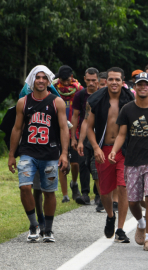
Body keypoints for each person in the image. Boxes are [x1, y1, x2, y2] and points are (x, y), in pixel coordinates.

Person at [108, 72, 148, 251]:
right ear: (134, 87)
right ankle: (141, 223)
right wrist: (114, 151)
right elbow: (121, 134)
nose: (143, 87)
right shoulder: (127, 109)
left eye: (146, 85)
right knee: (133, 202)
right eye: (139, 84)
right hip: (132, 160)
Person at [8, 65, 69, 242]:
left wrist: (64, 153)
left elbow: (64, 128)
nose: (41, 80)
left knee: (49, 192)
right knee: (25, 186)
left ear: (49, 81)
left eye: (44, 77)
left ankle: (48, 229)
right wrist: (12, 154)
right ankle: (34, 225)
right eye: (37, 77)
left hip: (50, 153)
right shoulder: (23, 102)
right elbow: (17, 128)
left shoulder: (56, 102)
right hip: (28, 152)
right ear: (32, 80)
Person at [86, 67, 135, 242]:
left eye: (117, 80)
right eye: (111, 79)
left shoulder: (130, 100)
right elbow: (89, 127)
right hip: (104, 148)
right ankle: (110, 215)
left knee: (123, 187)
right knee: (105, 192)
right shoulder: (97, 100)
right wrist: (96, 148)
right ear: (106, 81)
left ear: (123, 82)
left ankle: (121, 229)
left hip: (124, 150)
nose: (114, 83)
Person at [53, 65, 84, 203]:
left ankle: (74, 183)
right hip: (58, 129)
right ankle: (65, 195)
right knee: (62, 162)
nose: (65, 83)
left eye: (67, 79)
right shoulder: (53, 89)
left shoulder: (79, 89)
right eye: (62, 80)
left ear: (72, 77)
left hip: (74, 129)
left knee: (75, 163)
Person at [70, 67, 100, 205]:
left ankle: (99, 194)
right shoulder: (80, 95)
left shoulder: (103, 94)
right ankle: (85, 193)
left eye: (94, 80)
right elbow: (76, 117)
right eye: (89, 80)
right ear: (84, 79)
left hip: (100, 134)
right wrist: (74, 138)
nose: (91, 83)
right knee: (83, 163)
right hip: (84, 132)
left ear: (98, 80)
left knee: (98, 163)